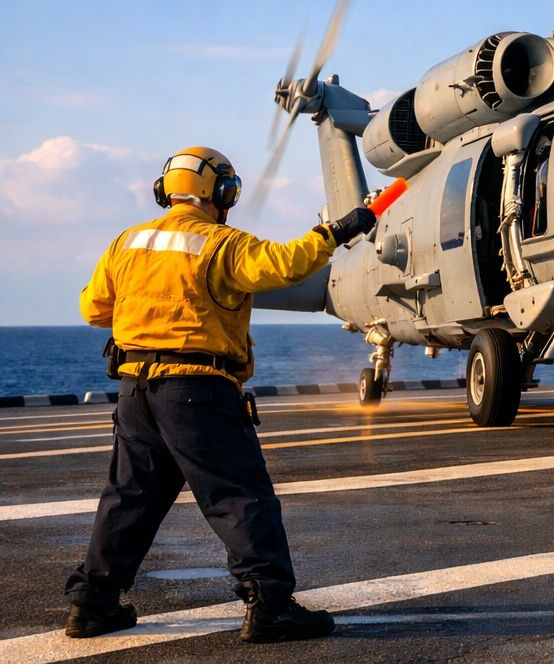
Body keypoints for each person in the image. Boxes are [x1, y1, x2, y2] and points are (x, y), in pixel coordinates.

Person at [65, 146, 377, 642]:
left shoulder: (128, 242)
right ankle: (270, 605)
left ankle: (92, 604)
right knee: (239, 497)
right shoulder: (221, 244)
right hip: (197, 393)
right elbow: (282, 266)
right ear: (223, 192)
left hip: (135, 393)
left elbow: (94, 308)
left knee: (129, 499)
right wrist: (336, 232)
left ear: (165, 191)